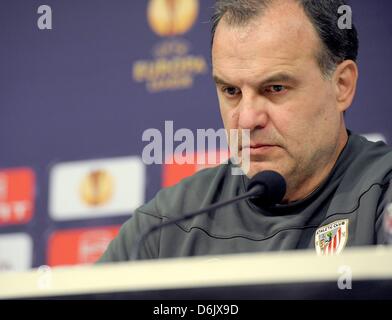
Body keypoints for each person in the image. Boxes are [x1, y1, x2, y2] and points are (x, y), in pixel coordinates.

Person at [98, 0, 392, 262]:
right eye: (231, 91)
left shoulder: (382, 193)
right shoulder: (167, 225)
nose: (247, 119)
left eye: (275, 88)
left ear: (342, 85)